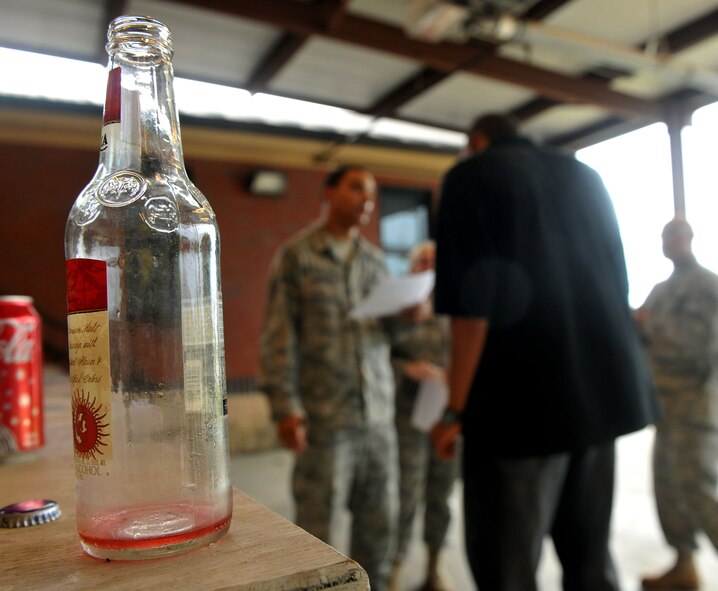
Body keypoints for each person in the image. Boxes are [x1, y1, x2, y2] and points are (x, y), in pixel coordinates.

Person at [430, 113, 660, 591]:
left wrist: (454, 410)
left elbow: (472, 313)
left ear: (475, 141)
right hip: (600, 399)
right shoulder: (585, 175)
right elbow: (618, 285)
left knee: (507, 569)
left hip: (519, 409)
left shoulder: (469, 178)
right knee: (590, 564)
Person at [258, 165, 399, 591]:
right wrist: (285, 408)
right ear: (330, 191)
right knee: (319, 533)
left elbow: (390, 336)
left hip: (377, 418)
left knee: (380, 526)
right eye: (357, 188)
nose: (366, 201)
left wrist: (410, 318)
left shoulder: (375, 262)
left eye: (372, 194)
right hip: (325, 421)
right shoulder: (298, 256)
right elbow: (279, 338)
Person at [637, 218, 718, 590]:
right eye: (666, 237)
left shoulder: (706, 286)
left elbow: (698, 345)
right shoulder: (661, 289)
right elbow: (639, 328)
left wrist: (651, 326)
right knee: (668, 490)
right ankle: (684, 566)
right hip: (665, 408)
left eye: (676, 236)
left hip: (695, 407)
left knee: (700, 489)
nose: (671, 243)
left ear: (689, 238)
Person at [389, 240, 458, 591]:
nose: (429, 266)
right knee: (406, 494)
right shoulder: (397, 308)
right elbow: (377, 354)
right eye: (422, 261)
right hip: (407, 418)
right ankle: (394, 568)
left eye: (435, 260)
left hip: (446, 417)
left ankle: (435, 567)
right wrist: (406, 367)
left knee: (442, 494)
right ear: (411, 267)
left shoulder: (456, 306)